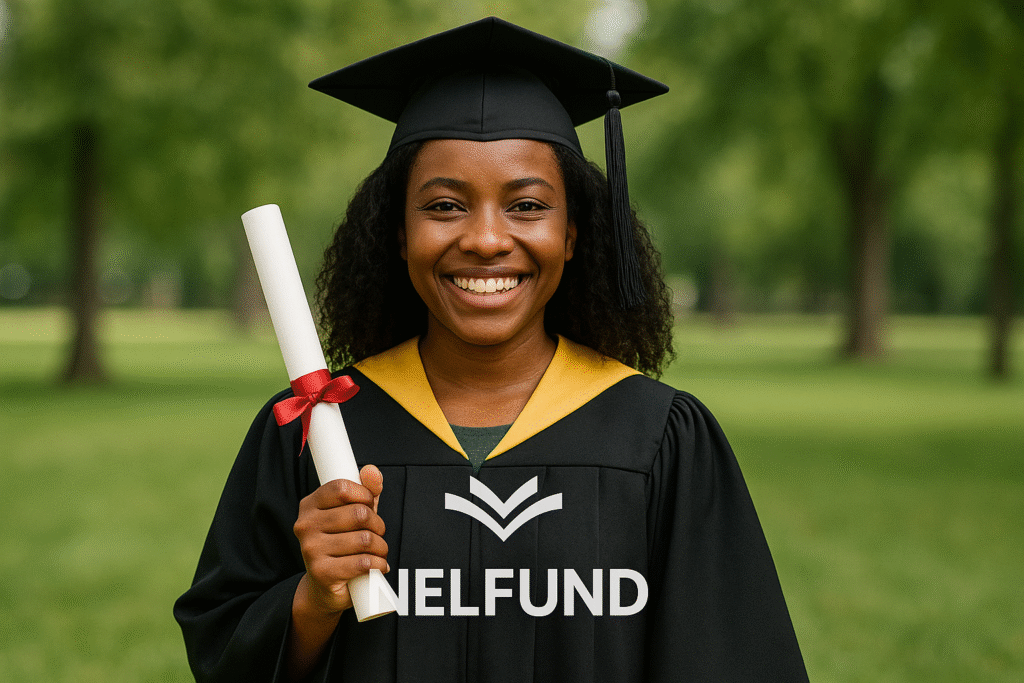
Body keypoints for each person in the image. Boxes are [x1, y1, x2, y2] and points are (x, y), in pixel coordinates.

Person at [174, 17, 809, 683]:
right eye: (444, 205)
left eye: (527, 205)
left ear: (572, 233)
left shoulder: (658, 440)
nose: (484, 238)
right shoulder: (311, 430)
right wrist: (312, 600)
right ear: (396, 232)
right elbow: (224, 659)